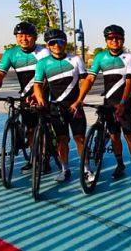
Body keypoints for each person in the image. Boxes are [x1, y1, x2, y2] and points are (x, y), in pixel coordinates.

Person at [73, 24, 131, 184]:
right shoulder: (100, 57)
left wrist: (123, 103)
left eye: (118, 38)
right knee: (114, 136)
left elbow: (129, 82)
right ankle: (120, 165)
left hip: (124, 103)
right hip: (108, 104)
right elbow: (90, 79)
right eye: (111, 38)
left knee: (130, 136)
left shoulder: (129, 58)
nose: (114, 41)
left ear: (123, 40)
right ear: (106, 41)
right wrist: (79, 98)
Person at [0, 21, 50, 173]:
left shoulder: (43, 52)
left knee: (41, 126)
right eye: (20, 36)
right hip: (25, 95)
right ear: (16, 38)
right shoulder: (10, 54)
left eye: (28, 36)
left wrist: (36, 94)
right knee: (30, 129)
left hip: (42, 93)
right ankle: (34, 157)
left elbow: (45, 77)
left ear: (35, 37)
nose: (24, 38)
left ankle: (44, 158)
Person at [33, 29, 88, 183]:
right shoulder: (43, 63)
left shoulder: (76, 60)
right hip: (56, 107)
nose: (57, 45)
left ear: (65, 43)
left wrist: (79, 100)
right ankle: (65, 169)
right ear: (47, 45)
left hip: (75, 106)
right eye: (52, 43)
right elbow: (37, 85)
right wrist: (39, 98)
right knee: (62, 140)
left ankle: (86, 169)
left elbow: (84, 81)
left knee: (80, 139)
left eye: (60, 42)